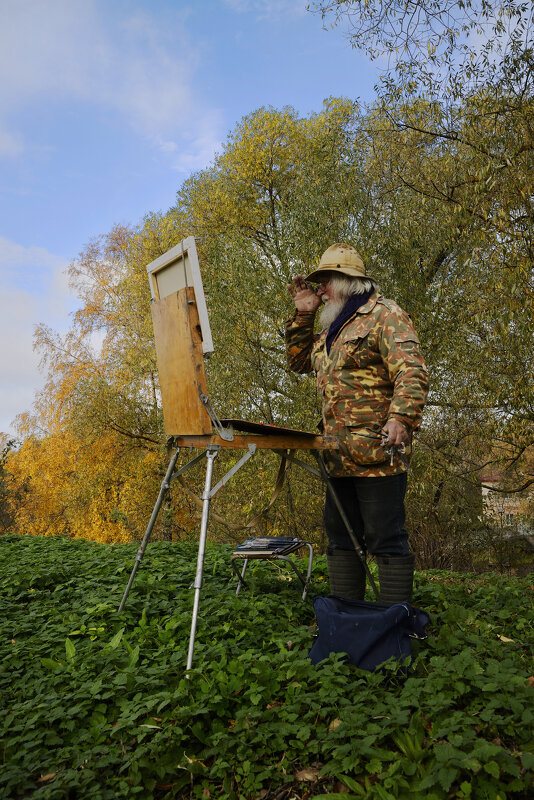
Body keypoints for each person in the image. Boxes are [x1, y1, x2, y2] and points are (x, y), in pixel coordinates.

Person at [286, 243, 429, 603]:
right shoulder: (330, 329)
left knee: (386, 537)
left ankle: (394, 625)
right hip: (337, 455)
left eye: (324, 283)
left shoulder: (384, 315)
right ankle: (347, 618)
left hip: (379, 454)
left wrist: (401, 418)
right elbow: (298, 362)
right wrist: (303, 314)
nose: (319, 290)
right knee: (340, 536)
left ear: (347, 282)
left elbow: (411, 370)